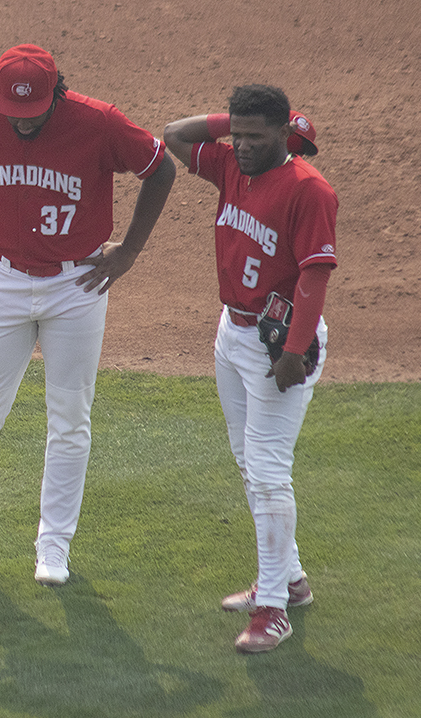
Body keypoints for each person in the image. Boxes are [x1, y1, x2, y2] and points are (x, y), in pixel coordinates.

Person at [0, 44, 176, 586]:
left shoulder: (98, 122)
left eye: (33, 116)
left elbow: (160, 167)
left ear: (57, 94)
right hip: (3, 280)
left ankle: (54, 547)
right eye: (13, 114)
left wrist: (128, 252)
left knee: (69, 419)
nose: (23, 125)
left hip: (78, 284)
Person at [163, 85, 337, 652]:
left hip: (277, 346)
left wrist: (294, 348)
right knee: (247, 461)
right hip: (231, 332)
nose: (240, 145)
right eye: (236, 133)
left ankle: (273, 609)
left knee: (267, 471)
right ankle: (289, 579)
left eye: (255, 137)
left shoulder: (309, 191)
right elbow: (174, 136)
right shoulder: (230, 166)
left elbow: (314, 275)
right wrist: (231, 120)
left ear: (286, 134)